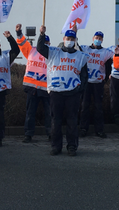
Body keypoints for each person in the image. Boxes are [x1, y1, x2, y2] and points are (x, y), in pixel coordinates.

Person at [36, 25, 88, 156]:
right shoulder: (54, 52)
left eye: (72, 38)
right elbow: (40, 48)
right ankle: (56, 146)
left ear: (75, 40)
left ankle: (72, 146)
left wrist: (79, 89)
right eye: (67, 38)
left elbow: (84, 75)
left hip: (72, 93)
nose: (69, 40)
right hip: (56, 92)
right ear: (63, 39)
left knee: (72, 121)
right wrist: (42, 35)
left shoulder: (81, 56)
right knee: (56, 121)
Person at [15, 23, 51, 143]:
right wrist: (19, 33)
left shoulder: (52, 54)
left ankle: (51, 134)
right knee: (30, 113)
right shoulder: (31, 51)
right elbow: (22, 43)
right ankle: (28, 134)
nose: (45, 45)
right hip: (32, 88)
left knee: (50, 114)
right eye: (43, 42)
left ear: (49, 44)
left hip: (47, 89)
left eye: (47, 43)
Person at [80, 31, 114, 138]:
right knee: (84, 106)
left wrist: (105, 79)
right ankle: (83, 128)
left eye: (100, 38)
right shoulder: (86, 49)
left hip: (98, 83)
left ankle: (99, 130)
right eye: (96, 37)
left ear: (102, 40)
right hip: (87, 83)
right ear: (92, 38)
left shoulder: (105, 52)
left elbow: (109, 65)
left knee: (98, 107)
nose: (98, 40)